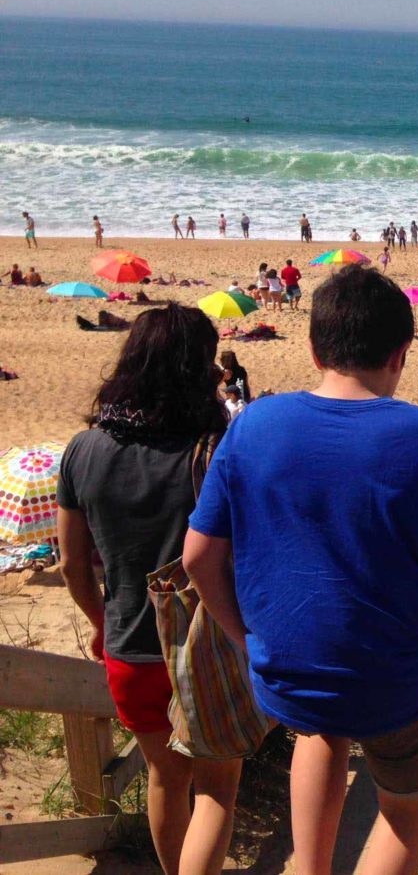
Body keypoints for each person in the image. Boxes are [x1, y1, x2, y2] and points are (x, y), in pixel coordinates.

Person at [183, 266, 418, 875]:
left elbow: (198, 558)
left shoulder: (253, 424)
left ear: (314, 349)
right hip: (395, 678)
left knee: (320, 728)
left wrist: (245, 638)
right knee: (404, 812)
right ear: (401, 354)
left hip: (290, 675)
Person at [57, 306, 244, 874]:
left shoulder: (83, 450)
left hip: (129, 645)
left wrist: (100, 620)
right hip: (207, 645)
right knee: (214, 789)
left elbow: (71, 564)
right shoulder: (216, 450)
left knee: (165, 776)